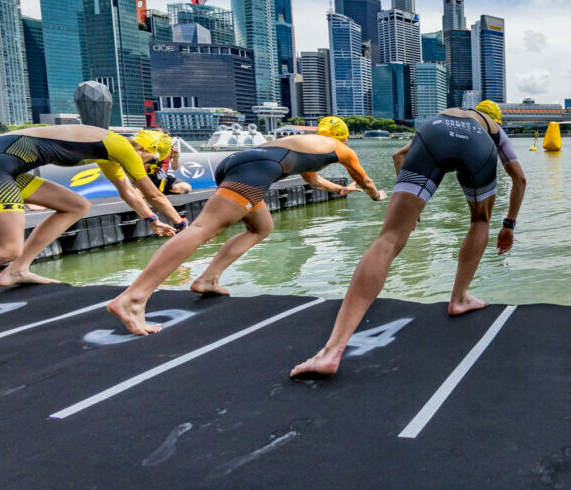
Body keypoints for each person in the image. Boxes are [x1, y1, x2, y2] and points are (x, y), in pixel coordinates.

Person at [291, 100, 527, 377]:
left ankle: (331, 351)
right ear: (494, 118)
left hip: (434, 134)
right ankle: (459, 298)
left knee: (389, 238)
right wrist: (509, 224)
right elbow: (519, 179)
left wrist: (410, 210)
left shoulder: (445, 115)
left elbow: (398, 157)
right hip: (478, 144)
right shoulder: (493, 128)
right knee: (479, 220)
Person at [107, 117, 384, 335]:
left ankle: (208, 279)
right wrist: (377, 196)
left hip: (236, 163)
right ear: (343, 136)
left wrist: (340, 191)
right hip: (256, 170)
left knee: (261, 226)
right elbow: (366, 181)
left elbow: (312, 180)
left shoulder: (304, 142)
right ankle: (133, 297)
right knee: (202, 229)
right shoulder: (341, 149)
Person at [0, 125, 184, 285]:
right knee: (4, 251)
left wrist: (152, 220)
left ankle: (17, 270)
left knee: (76, 205)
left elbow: (127, 191)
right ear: (147, 150)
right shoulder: (122, 148)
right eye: (152, 161)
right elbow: (154, 195)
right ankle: (14, 265)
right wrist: (184, 226)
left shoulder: (109, 149)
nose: (147, 165)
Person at [138, 130, 191, 196]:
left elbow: (175, 167)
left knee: (186, 187)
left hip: (163, 179)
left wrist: (175, 156)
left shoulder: (169, 150)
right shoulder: (146, 149)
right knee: (138, 193)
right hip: (145, 178)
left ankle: (157, 191)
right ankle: (151, 192)